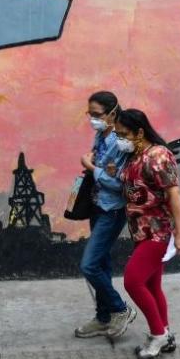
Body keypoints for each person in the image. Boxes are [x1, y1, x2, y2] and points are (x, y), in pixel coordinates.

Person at [114, 108, 180, 359]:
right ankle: (165, 334)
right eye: (117, 134)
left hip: (157, 231)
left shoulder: (158, 156)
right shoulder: (135, 156)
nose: (119, 139)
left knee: (133, 281)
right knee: (151, 285)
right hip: (140, 232)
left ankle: (157, 334)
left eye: (123, 134)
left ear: (140, 132)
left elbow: (174, 195)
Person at [75, 91, 136, 339]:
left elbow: (120, 183)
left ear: (112, 112)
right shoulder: (101, 135)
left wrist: (92, 167)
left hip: (112, 210)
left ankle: (120, 309)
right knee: (101, 263)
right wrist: (93, 167)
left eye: (97, 114)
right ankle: (103, 318)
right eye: (90, 114)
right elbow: (104, 172)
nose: (92, 119)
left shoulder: (121, 141)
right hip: (96, 205)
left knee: (88, 265)